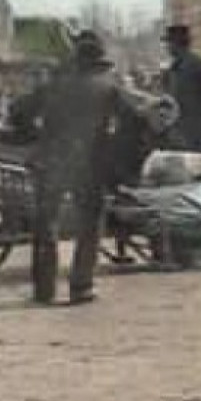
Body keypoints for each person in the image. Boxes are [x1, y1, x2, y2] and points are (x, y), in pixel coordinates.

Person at [31, 31, 126, 305]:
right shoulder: (108, 86)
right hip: (88, 163)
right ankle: (81, 285)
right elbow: (131, 119)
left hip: (51, 161)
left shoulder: (55, 85)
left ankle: (44, 289)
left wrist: (39, 138)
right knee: (90, 222)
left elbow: (19, 111)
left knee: (46, 222)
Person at [160, 25, 201, 153]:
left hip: (196, 134)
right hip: (177, 133)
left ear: (177, 43)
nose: (167, 47)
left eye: (169, 43)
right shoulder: (172, 69)